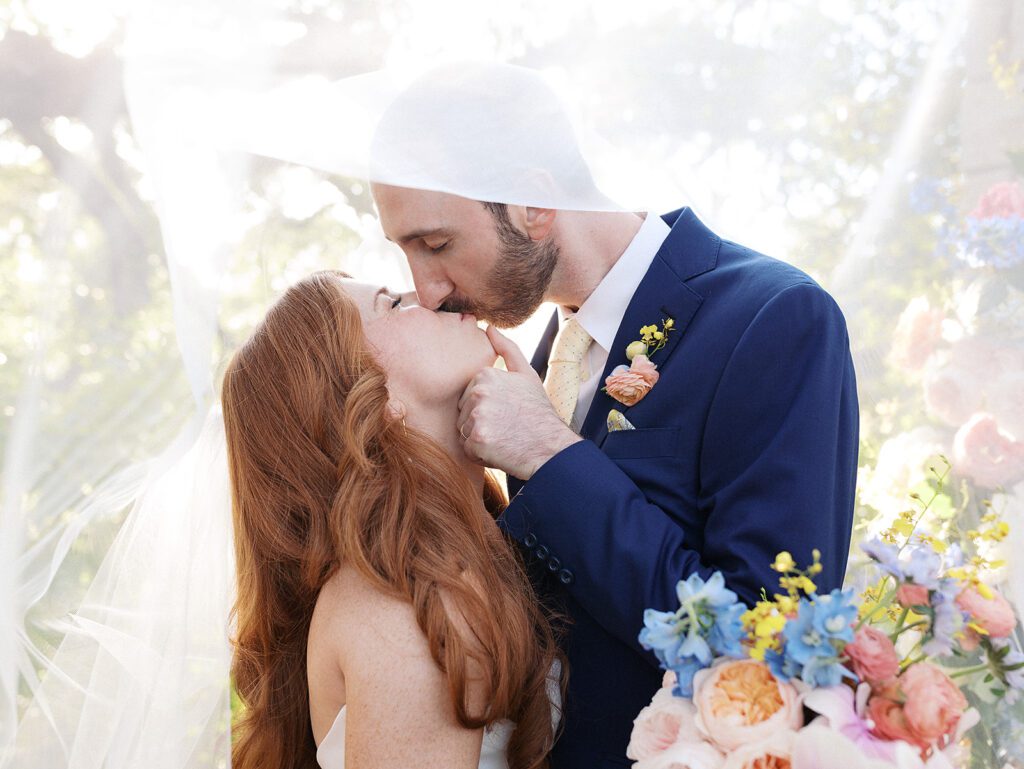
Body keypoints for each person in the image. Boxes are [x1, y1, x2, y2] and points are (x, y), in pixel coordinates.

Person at [369, 66, 859, 769]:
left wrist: (550, 454)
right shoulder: (532, 361)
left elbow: (767, 644)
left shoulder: (774, 317)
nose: (426, 288)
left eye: (437, 244)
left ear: (532, 203)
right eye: (404, 251)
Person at [220, 271, 563, 769]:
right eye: (392, 303)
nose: (429, 294)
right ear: (369, 398)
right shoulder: (402, 611)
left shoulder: (466, 553)